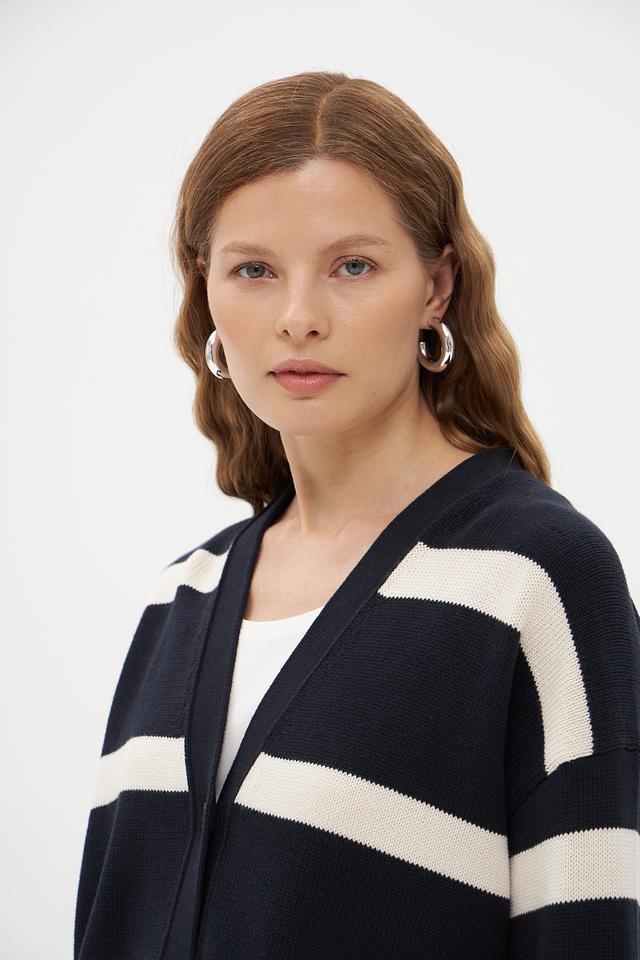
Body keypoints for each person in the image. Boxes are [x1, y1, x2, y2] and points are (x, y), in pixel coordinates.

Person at [74, 70, 640, 960]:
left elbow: (590, 927)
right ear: (205, 289)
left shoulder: (534, 576)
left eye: (353, 266)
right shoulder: (184, 595)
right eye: (254, 270)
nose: (299, 318)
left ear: (437, 286)